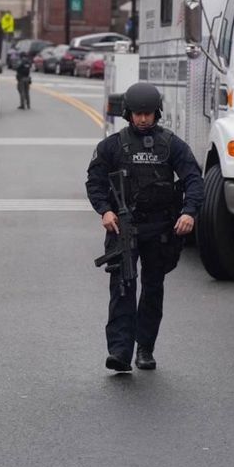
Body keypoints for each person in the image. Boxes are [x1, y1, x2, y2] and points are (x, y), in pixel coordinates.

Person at [85, 82, 203, 373]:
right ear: (128, 113)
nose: (143, 119)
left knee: (153, 289)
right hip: (122, 228)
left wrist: (189, 212)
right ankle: (120, 351)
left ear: (157, 113)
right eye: (138, 114)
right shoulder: (111, 146)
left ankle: (145, 349)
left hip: (160, 228)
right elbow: (95, 182)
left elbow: (193, 179)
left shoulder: (171, 144)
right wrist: (105, 210)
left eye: (148, 114)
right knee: (123, 286)